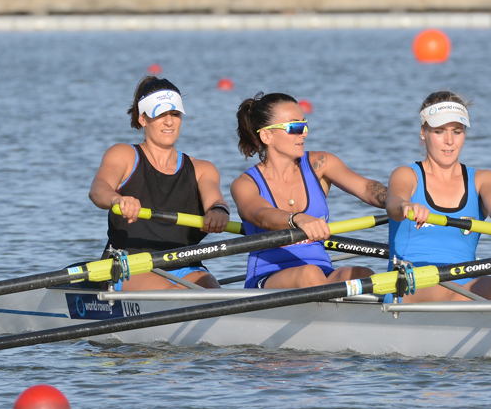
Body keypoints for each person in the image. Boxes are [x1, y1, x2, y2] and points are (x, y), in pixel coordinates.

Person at [232, 92, 387, 289]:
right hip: (268, 277)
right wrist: (297, 219)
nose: (304, 133)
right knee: (309, 274)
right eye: (295, 127)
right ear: (267, 135)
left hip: (322, 272)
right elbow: (261, 215)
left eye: (304, 125)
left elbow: (367, 188)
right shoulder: (245, 183)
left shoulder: (320, 164)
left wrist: (400, 201)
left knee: (361, 274)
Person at [89, 75, 230, 290]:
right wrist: (118, 200)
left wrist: (219, 212)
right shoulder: (123, 155)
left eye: (175, 114)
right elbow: (98, 191)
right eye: (161, 114)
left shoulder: (203, 169)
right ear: (142, 119)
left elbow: (216, 201)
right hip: (130, 265)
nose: (169, 121)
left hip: (186, 265)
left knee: (209, 287)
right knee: (173, 294)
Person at [387, 91, 491, 302]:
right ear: (423, 132)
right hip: (409, 285)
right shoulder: (407, 174)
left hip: (464, 285)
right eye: (439, 131)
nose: (449, 141)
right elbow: (394, 203)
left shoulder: (484, 179)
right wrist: (406, 205)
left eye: (457, 131)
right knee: (480, 290)